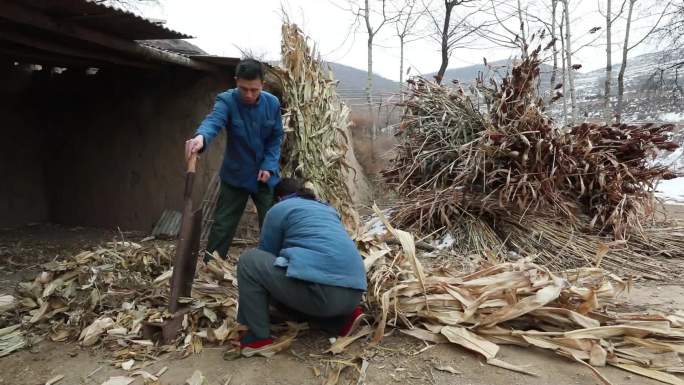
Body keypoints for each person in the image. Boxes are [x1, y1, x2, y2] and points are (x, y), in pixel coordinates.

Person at [234, 178, 367, 358]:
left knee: (249, 261)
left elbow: (266, 255)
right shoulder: (327, 209)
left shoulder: (279, 209)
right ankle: (341, 321)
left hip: (324, 295)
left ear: (280, 198)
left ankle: (257, 338)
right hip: (354, 295)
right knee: (289, 293)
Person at [185, 58, 284, 261]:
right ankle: (210, 266)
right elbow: (213, 122)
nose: (248, 94)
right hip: (236, 175)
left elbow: (275, 138)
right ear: (236, 81)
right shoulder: (227, 101)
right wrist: (200, 138)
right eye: (243, 89)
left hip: (265, 175)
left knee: (272, 224)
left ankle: (271, 267)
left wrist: (269, 165)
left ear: (262, 84)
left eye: (254, 90)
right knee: (223, 225)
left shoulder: (272, 104)